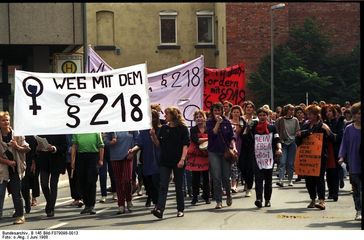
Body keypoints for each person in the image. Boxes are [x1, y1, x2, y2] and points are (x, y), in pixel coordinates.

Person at [150, 106, 189, 218]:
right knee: (163, 185)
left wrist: (182, 159)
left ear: (173, 115)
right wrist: (153, 135)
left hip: (178, 161)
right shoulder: (163, 128)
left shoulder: (182, 128)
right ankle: (160, 209)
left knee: (179, 186)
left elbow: (185, 145)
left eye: (167, 114)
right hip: (165, 161)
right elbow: (158, 145)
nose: (164, 116)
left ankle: (180, 209)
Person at [296, 105, 333, 210]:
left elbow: (333, 138)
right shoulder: (305, 125)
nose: (309, 116)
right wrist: (299, 135)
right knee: (309, 180)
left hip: (320, 156)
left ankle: (321, 200)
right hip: (307, 156)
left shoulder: (322, 126)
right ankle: (312, 198)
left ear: (317, 115)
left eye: (311, 114)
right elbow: (298, 141)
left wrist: (328, 131)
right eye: (307, 114)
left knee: (319, 178)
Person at [0, 111, 30, 224]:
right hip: (2, 169)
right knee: (0, 192)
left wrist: (16, 146)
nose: (6, 122)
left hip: (17, 169)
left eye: (7, 120)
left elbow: (27, 149)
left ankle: (20, 215)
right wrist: (7, 162)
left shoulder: (17, 134)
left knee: (16, 192)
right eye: (3, 120)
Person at [206, 102, 236, 209]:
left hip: (225, 152)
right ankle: (218, 201)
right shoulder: (209, 122)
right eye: (215, 111)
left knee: (226, 176)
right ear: (212, 112)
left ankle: (228, 195)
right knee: (216, 177)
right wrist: (218, 123)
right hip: (213, 152)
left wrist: (234, 147)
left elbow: (232, 137)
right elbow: (213, 133)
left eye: (219, 110)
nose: (217, 112)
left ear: (222, 111)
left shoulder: (227, 122)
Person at [129, 109, 161, 208]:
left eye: (153, 117)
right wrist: (132, 150)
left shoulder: (162, 129)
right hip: (147, 160)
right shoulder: (143, 131)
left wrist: (153, 135)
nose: (151, 120)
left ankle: (158, 205)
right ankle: (153, 199)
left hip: (159, 160)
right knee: (149, 184)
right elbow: (139, 144)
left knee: (157, 183)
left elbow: (160, 145)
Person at [251, 107, 282, 208]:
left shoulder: (272, 127)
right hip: (257, 157)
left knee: (268, 180)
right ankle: (258, 199)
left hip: (269, 157)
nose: (262, 117)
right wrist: (247, 126)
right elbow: (247, 138)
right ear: (257, 116)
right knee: (258, 179)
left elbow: (277, 139)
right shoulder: (253, 127)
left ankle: (267, 200)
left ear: (267, 116)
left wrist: (279, 149)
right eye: (260, 115)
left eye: (264, 115)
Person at [104, 131, 138, 214]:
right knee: (118, 182)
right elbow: (105, 140)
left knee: (127, 180)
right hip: (115, 157)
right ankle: (121, 205)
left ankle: (129, 200)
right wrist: (110, 142)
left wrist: (133, 152)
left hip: (127, 156)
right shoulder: (112, 126)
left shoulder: (130, 124)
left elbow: (137, 140)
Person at [338, 102, 361, 221]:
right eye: (357, 114)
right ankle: (359, 210)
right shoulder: (349, 128)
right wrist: (341, 156)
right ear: (354, 115)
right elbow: (344, 144)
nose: (359, 116)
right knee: (356, 189)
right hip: (353, 163)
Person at [71, 133, 104, 215]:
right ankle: (86, 205)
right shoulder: (77, 131)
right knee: (82, 181)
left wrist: (101, 159)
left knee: (91, 181)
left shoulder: (96, 132)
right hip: (81, 157)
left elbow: (101, 146)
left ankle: (91, 205)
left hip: (93, 157)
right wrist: (72, 161)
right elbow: (74, 146)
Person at [36, 134, 67, 217]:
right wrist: (38, 148)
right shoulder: (41, 130)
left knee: (53, 185)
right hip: (44, 161)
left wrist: (54, 148)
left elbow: (64, 147)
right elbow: (36, 145)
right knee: (44, 184)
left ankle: (51, 208)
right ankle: (49, 202)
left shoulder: (60, 131)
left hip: (56, 161)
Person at [186, 110, 210, 205]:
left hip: (206, 155)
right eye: (197, 117)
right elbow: (195, 140)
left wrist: (203, 140)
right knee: (195, 178)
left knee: (206, 177)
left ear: (204, 118)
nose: (199, 118)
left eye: (201, 116)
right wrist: (208, 139)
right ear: (195, 119)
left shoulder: (209, 128)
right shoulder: (193, 129)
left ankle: (206, 196)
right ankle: (195, 197)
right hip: (196, 155)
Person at [322, 104, 344, 202]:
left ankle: (335, 193)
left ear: (334, 112)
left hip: (336, 149)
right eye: (326, 112)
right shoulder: (324, 123)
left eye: (330, 111)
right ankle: (330, 192)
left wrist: (328, 131)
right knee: (329, 173)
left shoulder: (339, 122)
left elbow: (338, 138)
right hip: (326, 150)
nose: (328, 113)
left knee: (335, 172)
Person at [275, 104, 300, 187]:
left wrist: (297, 134)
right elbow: (276, 131)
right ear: (286, 110)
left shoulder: (295, 120)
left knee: (290, 163)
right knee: (282, 162)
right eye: (290, 110)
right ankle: (281, 179)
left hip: (292, 143)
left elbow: (297, 130)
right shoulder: (280, 120)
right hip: (283, 143)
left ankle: (290, 180)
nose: (292, 111)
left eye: (293, 110)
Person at [239, 101, 258, 197]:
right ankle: (246, 181)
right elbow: (240, 132)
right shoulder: (241, 119)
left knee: (250, 167)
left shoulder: (256, 120)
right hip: (242, 145)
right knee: (242, 166)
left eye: (251, 107)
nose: (249, 109)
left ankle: (249, 188)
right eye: (247, 107)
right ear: (245, 109)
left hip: (252, 146)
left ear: (253, 109)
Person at [229, 105, 246, 194]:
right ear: (231, 113)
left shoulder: (242, 122)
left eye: (237, 112)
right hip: (230, 145)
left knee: (238, 166)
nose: (236, 113)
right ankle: (233, 185)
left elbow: (239, 132)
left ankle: (236, 183)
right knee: (232, 166)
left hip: (240, 144)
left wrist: (238, 125)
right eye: (234, 112)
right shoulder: (228, 122)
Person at [65, 134, 83, 208]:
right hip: (69, 158)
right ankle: (76, 198)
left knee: (80, 177)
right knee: (72, 178)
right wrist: (70, 149)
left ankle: (81, 197)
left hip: (80, 157)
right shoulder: (66, 134)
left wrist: (74, 149)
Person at [98, 133, 117, 203]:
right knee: (102, 175)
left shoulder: (111, 129)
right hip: (101, 153)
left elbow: (114, 140)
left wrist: (105, 143)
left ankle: (115, 192)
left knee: (112, 173)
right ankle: (103, 195)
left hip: (110, 152)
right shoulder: (98, 130)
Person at [21, 136, 37, 214]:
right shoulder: (15, 135)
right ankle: (27, 201)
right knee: (22, 186)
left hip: (29, 161)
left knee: (27, 184)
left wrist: (33, 162)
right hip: (19, 161)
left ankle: (30, 200)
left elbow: (34, 150)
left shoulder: (31, 138)